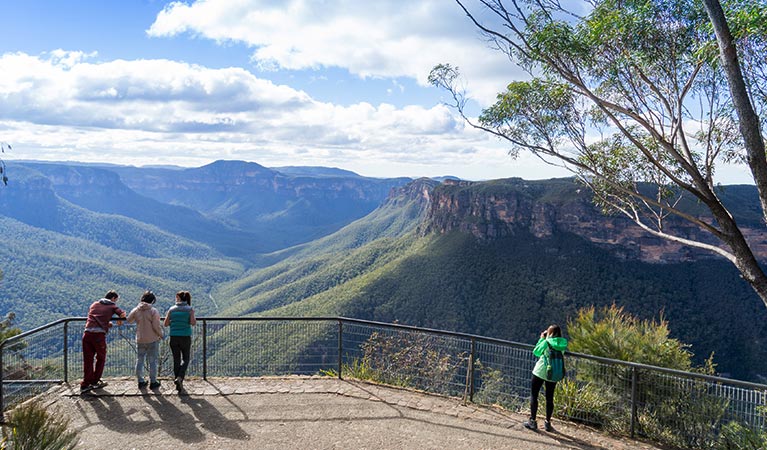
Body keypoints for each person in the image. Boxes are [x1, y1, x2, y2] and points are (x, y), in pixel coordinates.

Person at [524, 324, 568, 432]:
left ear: (549, 333)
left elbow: (536, 352)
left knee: (534, 395)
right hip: (553, 373)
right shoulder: (562, 344)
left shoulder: (546, 342)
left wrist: (541, 339)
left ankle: (533, 421)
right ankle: (548, 423)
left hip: (540, 371)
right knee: (550, 398)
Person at [81, 290, 126, 393]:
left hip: (87, 334)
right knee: (101, 358)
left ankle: (85, 383)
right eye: (116, 300)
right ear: (113, 298)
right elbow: (122, 314)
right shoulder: (112, 306)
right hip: (98, 336)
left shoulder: (94, 304)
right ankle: (95, 381)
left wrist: (107, 323)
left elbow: (96, 317)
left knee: (88, 359)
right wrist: (119, 322)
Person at [127, 290, 164, 390]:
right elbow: (156, 326)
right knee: (152, 361)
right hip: (152, 339)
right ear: (152, 301)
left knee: (140, 360)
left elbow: (129, 320)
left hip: (140, 339)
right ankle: (153, 382)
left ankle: (140, 381)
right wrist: (161, 335)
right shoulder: (153, 311)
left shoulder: (136, 310)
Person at [164, 291, 196, 391]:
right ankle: (180, 377)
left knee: (176, 359)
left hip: (174, 336)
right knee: (186, 358)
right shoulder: (190, 309)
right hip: (185, 336)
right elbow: (193, 323)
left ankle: (177, 380)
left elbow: (165, 323)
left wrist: (174, 322)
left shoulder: (171, 309)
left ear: (178, 298)